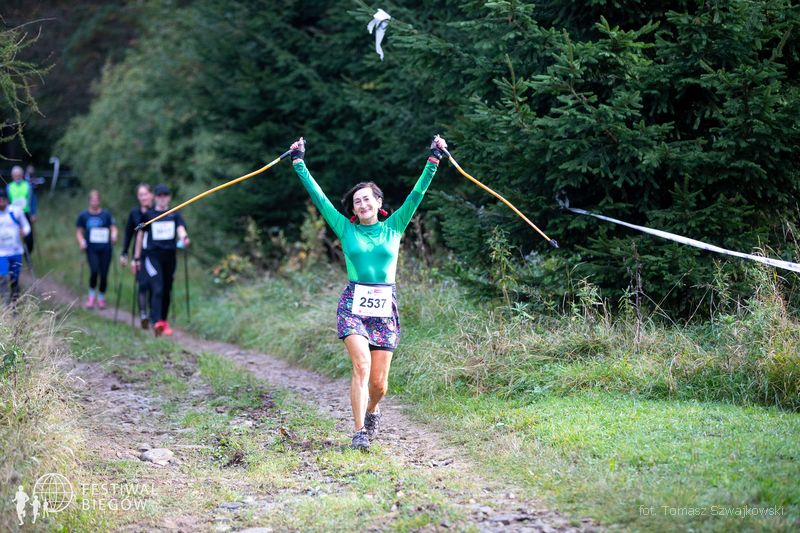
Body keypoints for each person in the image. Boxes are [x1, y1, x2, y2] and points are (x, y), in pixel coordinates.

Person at [288, 134, 447, 450]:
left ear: (378, 203)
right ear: (353, 208)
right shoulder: (345, 228)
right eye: (357, 201)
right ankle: (359, 431)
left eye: (367, 199)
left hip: (385, 306)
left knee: (379, 384)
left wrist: (434, 159)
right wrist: (298, 162)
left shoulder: (395, 226)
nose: (362, 204)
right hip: (353, 305)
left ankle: (373, 409)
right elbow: (319, 198)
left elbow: (417, 194)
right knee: (361, 365)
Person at [133, 184, 189, 336]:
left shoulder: (174, 214)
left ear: (169, 197)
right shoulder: (149, 215)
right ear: (155, 197)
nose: (163, 198)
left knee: (166, 289)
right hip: (153, 257)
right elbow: (139, 235)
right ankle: (155, 320)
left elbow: (181, 229)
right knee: (157, 287)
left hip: (169, 257)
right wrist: (137, 258)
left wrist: (184, 238)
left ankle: (163, 321)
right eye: (160, 195)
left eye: (165, 195)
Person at [75, 190, 118, 309]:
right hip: (91, 248)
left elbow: (113, 228)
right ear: (89, 201)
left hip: (105, 248)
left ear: (99, 201)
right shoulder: (84, 215)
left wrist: (114, 235)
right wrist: (81, 241)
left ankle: (101, 298)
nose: (94, 202)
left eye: (96, 200)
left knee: (104, 274)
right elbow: (79, 231)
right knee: (94, 271)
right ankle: (91, 296)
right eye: (92, 200)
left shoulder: (106, 214)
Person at [120, 183, 154, 328]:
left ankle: (153, 314)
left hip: (154, 253)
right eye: (141, 195)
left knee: (153, 284)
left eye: (145, 194)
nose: (143, 197)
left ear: (151, 195)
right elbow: (129, 233)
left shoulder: (157, 211)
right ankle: (143, 314)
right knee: (142, 283)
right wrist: (125, 252)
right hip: (139, 253)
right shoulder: (134, 213)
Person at [0, 187, 31, 305]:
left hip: (16, 251)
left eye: (3, 199)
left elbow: (26, 226)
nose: (1, 202)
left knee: (14, 280)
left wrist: (24, 232)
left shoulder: (15, 211)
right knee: (3, 277)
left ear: (7, 200)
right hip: (1, 253)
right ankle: (5, 304)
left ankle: (15, 305)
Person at [6, 165, 37, 255]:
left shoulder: (27, 185)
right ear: (12, 176)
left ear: (22, 175)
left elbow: (32, 200)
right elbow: (7, 202)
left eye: (19, 175)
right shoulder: (9, 187)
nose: (17, 177)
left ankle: (27, 254)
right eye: (15, 175)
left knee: (29, 237)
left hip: (25, 213)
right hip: (13, 215)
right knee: (14, 236)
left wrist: (33, 213)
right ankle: (16, 255)